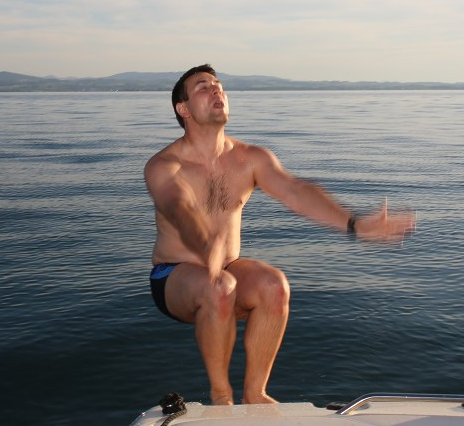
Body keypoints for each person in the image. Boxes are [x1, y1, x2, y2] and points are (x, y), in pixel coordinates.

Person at [144, 64, 415, 405]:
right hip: (173, 276)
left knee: (275, 285)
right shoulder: (165, 164)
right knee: (220, 287)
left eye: (219, 85)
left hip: (227, 265)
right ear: (182, 109)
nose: (216, 91)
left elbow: (296, 192)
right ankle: (222, 396)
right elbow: (176, 205)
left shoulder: (249, 158)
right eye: (202, 87)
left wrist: (355, 225)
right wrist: (204, 243)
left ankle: (255, 394)